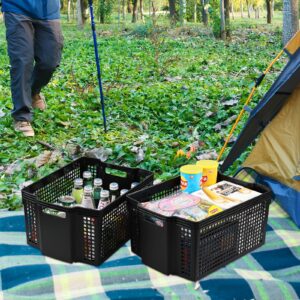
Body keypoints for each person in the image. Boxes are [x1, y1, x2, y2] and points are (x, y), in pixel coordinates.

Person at [1, 0, 63, 137]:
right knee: (22, 61)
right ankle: (21, 116)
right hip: (16, 6)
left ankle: (33, 92)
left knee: (50, 62)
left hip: (49, 9)